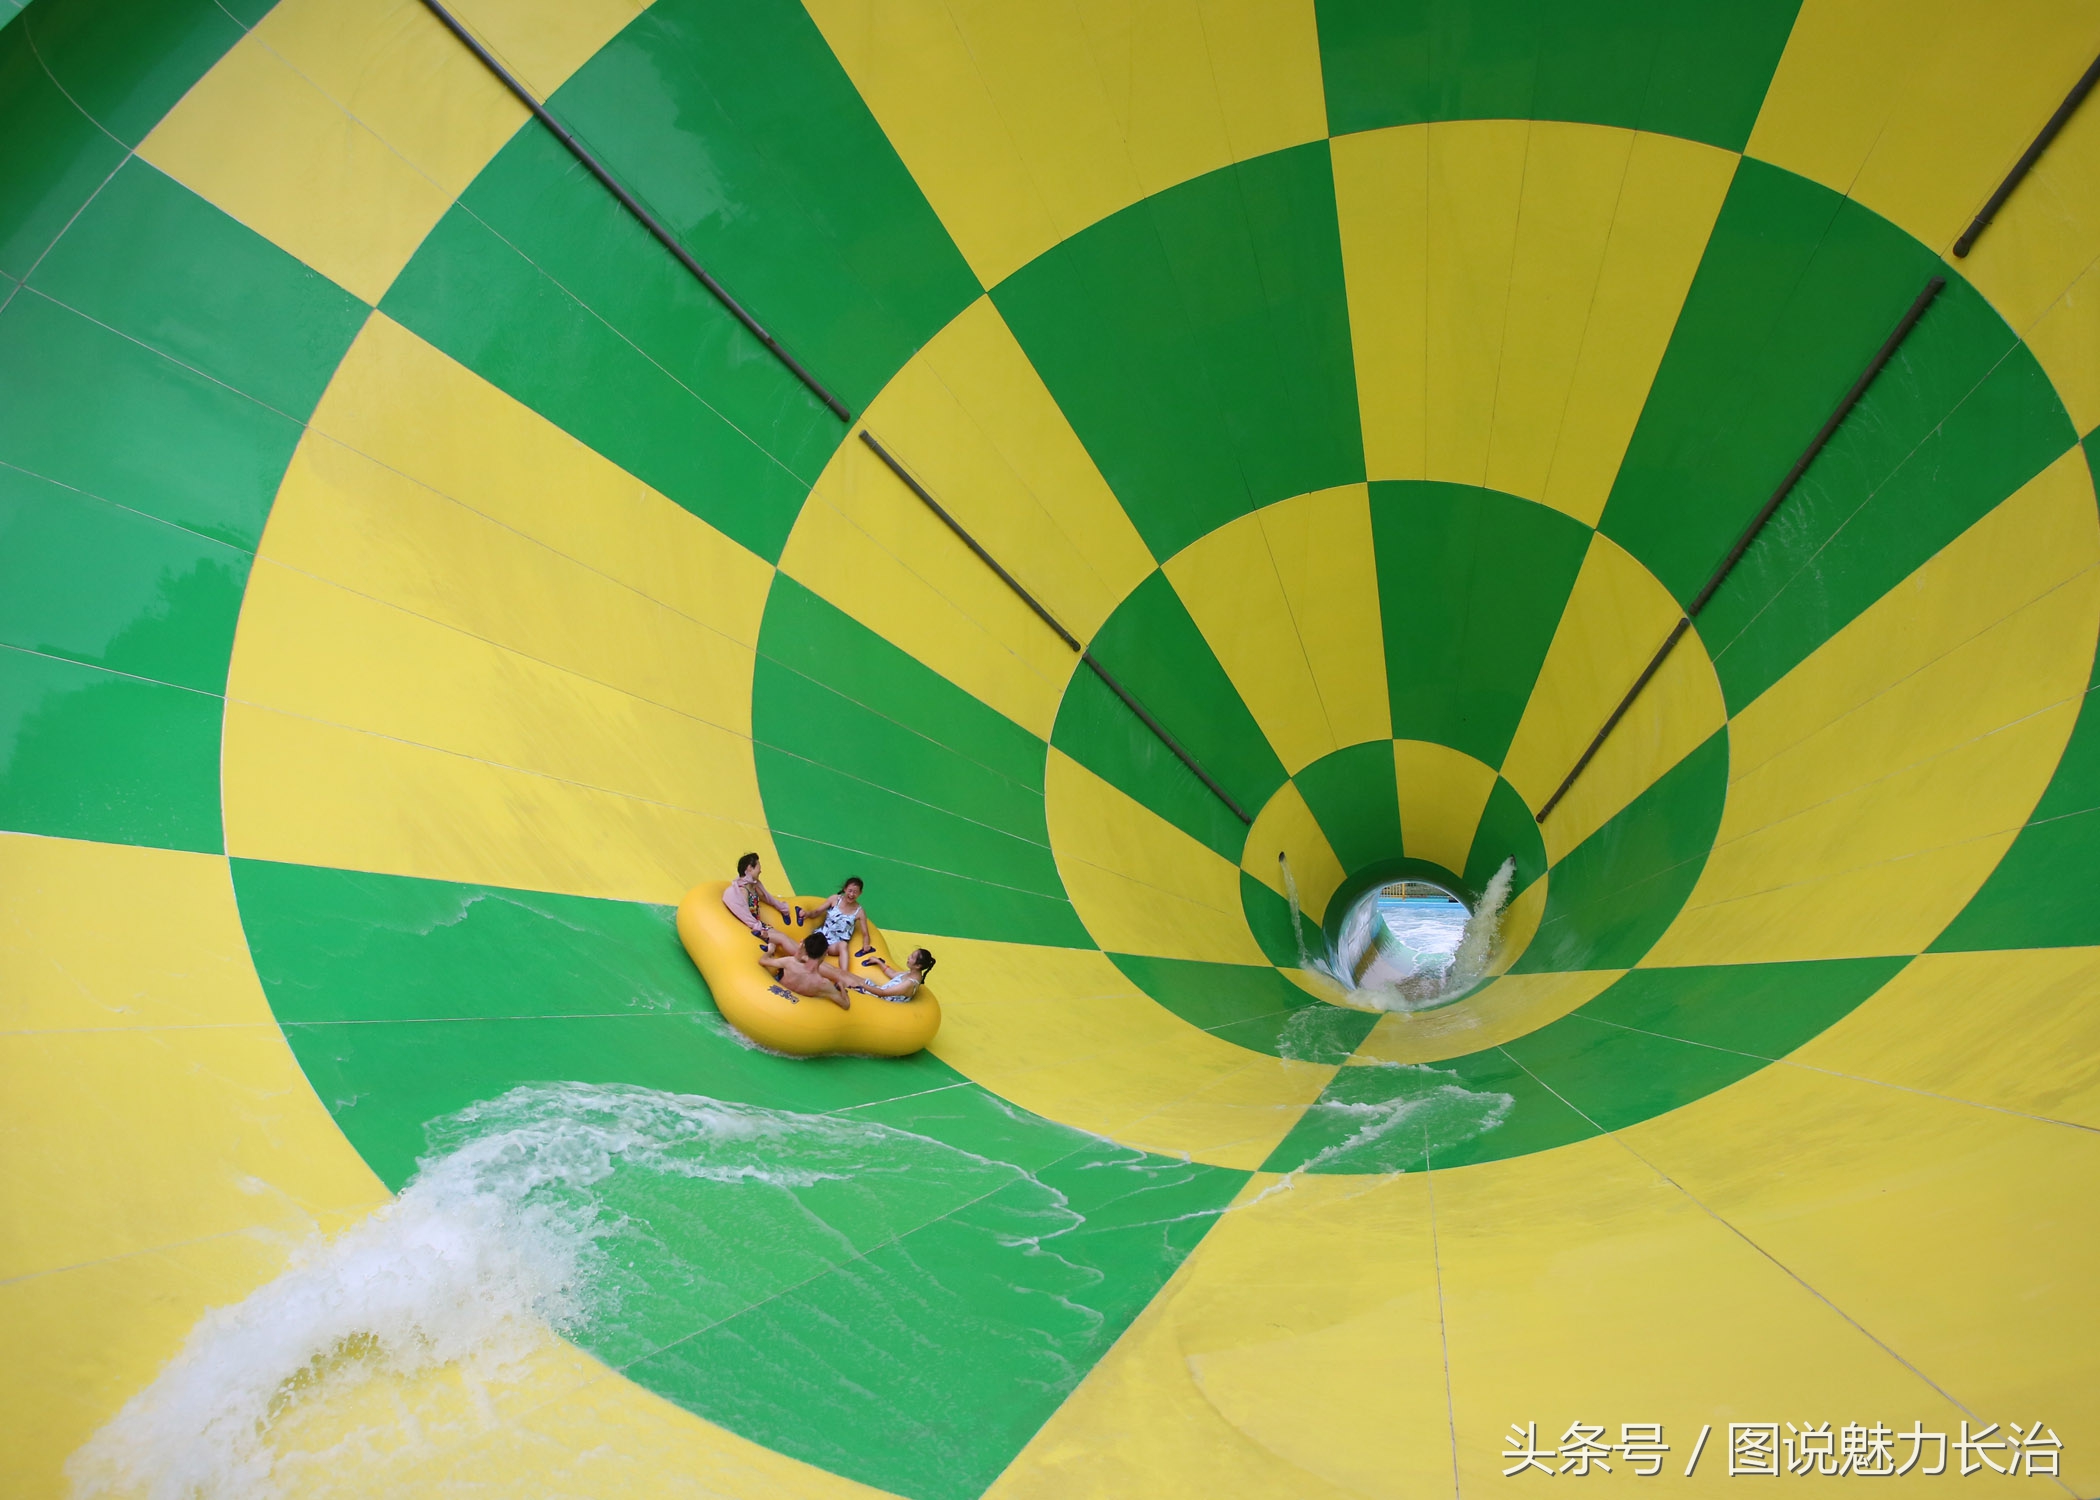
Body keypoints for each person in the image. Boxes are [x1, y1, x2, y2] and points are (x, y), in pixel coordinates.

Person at [722, 852, 795, 955]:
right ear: (749, 868)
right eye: (758, 867)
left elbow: (767, 897)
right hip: (755, 929)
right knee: (782, 938)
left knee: (784, 936)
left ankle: (807, 956)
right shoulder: (742, 891)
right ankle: (804, 960)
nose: (760, 870)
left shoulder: (753, 886)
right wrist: (759, 929)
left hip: (760, 925)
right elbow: (744, 915)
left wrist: (782, 909)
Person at [759, 931, 853, 1010]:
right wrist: (841, 987)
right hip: (797, 1007)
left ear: (806, 949)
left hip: (773, 1000)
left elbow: (763, 961)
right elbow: (846, 1005)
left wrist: (770, 951)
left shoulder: (790, 963)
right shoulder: (823, 984)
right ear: (825, 953)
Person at [808, 877, 871, 974]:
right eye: (850, 891)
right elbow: (817, 912)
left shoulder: (859, 912)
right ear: (845, 889)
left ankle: (843, 976)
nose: (851, 894)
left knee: (843, 945)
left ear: (860, 893)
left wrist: (866, 945)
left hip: (834, 944)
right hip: (821, 937)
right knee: (814, 941)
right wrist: (807, 914)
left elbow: (865, 934)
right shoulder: (835, 899)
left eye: (855, 892)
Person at [849, 947, 935, 1002]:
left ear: (918, 965)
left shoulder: (909, 984)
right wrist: (879, 962)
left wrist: (861, 985)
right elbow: (893, 974)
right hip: (879, 992)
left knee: (845, 980)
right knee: (845, 975)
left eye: (912, 957)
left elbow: (882, 993)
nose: (909, 957)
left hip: (879, 1000)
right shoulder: (912, 973)